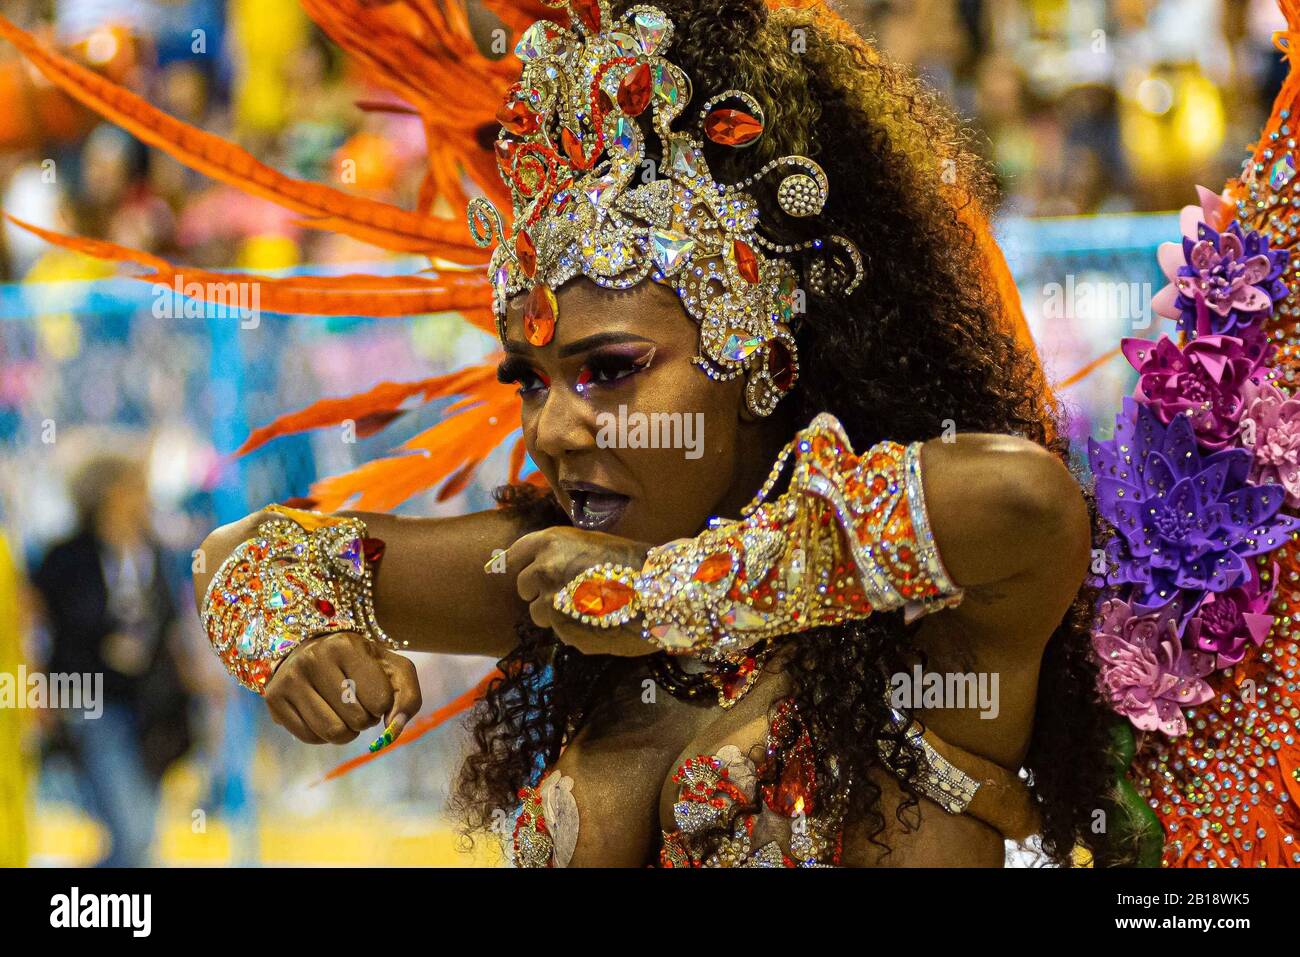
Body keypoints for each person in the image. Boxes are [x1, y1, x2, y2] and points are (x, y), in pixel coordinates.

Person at [9, 0, 1299, 868]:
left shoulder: (925, 615)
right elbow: (251, 549)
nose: (560, 425)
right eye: (531, 381)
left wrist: (667, 594)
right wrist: (291, 628)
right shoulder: (550, 570)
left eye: (612, 372)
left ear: (761, 362)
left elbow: (1022, 506)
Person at [30, 453, 193, 866]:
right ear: (107, 495)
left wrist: (194, 677)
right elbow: (32, 625)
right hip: (89, 701)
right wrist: (36, 689)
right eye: (133, 488)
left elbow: (170, 628)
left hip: (151, 706)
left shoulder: (153, 555)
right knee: (132, 832)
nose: (142, 498)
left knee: (143, 838)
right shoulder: (66, 558)